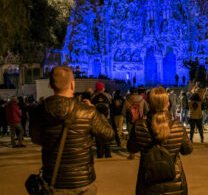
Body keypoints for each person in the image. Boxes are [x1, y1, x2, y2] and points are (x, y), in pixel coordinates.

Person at [30, 66, 114, 194]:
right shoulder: (87, 112)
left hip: (53, 180)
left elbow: (36, 139)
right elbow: (109, 135)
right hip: (82, 182)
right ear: (72, 85)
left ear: (51, 85)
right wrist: (96, 112)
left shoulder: (39, 111)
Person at [127, 87, 193, 195]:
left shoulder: (140, 125)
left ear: (149, 104)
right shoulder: (178, 126)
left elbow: (131, 148)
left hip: (148, 183)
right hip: (175, 183)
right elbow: (187, 150)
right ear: (167, 104)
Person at [122, 87, 149, 159]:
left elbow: (123, 113)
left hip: (130, 122)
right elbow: (147, 110)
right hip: (140, 121)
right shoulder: (142, 100)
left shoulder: (127, 100)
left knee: (131, 137)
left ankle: (132, 154)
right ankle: (142, 153)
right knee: (141, 137)